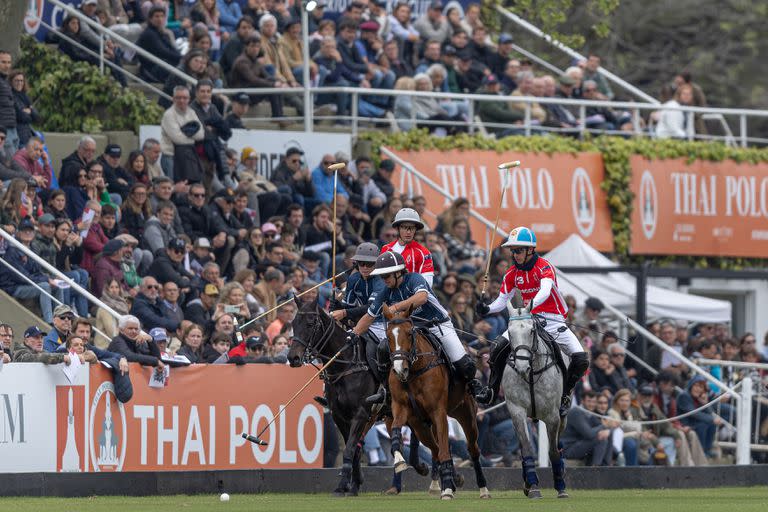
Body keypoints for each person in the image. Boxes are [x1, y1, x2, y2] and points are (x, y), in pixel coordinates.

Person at [476, 226, 589, 412]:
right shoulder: (512, 273)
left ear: (530, 249)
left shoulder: (545, 267)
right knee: (497, 347)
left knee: (581, 359)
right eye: (513, 251)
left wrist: (529, 306)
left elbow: (545, 291)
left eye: (518, 250)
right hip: (528, 319)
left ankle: (565, 395)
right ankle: (491, 391)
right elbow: (502, 300)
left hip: (553, 319)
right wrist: (487, 308)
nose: (515, 254)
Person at [353, 251, 487, 404]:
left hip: (437, 325)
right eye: (382, 277)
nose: (384, 280)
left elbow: (421, 298)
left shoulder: (414, 279)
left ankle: (474, 385)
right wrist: (353, 334)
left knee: (464, 364)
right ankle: (387, 391)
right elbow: (369, 316)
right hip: (413, 330)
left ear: (398, 273)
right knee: (385, 350)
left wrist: (396, 307)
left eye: (387, 276)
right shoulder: (385, 291)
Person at [0, 218, 65, 323]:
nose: (27, 233)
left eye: (30, 230)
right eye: (24, 230)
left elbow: (37, 271)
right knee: (45, 286)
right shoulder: (12, 250)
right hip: (12, 287)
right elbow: (23, 277)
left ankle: (62, 319)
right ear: (18, 233)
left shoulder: (32, 248)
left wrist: (51, 278)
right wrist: (46, 280)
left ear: (34, 233)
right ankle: (49, 321)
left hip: (25, 283)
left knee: (58, 285)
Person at [380, 207, 435, 287]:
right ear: (397, 228)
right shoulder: (386, 249)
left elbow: (427, 284)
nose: (408, 232)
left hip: (412, 296)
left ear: (416, 229)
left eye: (412, 228)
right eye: (404, 227)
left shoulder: (424, 253)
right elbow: (380, 278)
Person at [561, 390, 613, 466]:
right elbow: (589, 434)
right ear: (582, 401)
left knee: (607, 434)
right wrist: (605, 425)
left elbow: (602, 428)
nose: (592, 404)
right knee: (601, 440)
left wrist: (607, 429)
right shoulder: (576, 412)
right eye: (589, 401)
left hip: (579, 445)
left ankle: (606, 466)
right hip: (568, 449)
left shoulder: (589, 412)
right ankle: (596, 469)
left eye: (594, 402)